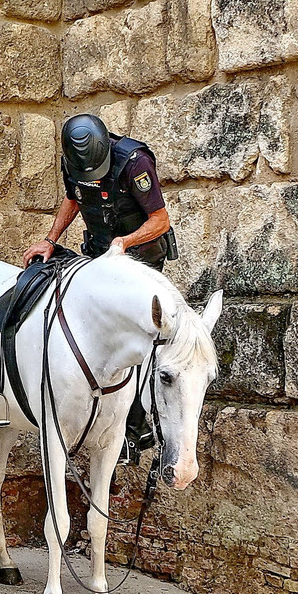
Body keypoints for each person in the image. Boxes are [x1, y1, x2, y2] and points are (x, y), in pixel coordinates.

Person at [20, 114, 175, 465]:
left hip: (140, 259)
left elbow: (160, 220)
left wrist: (125, 241)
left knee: (136, 341)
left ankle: (136, 430)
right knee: (93, 337)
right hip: (101, 258)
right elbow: (73, 198)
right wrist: (49, 240)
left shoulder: (135, 162)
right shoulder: (72, 162)